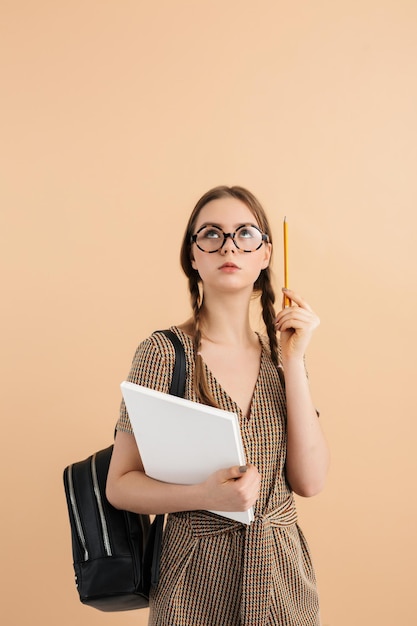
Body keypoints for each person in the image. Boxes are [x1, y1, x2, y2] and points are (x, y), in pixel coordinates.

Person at [106, 185, 329, 625]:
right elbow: (120, 485)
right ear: (193, 256)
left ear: (265, 254)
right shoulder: (165, 353)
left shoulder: (281, 359)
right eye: (211, 234)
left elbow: (309, 481)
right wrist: (205, 495)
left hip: (283, 584)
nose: (229, 245)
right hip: (194, 587)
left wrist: (295, 360)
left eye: (246, 233)